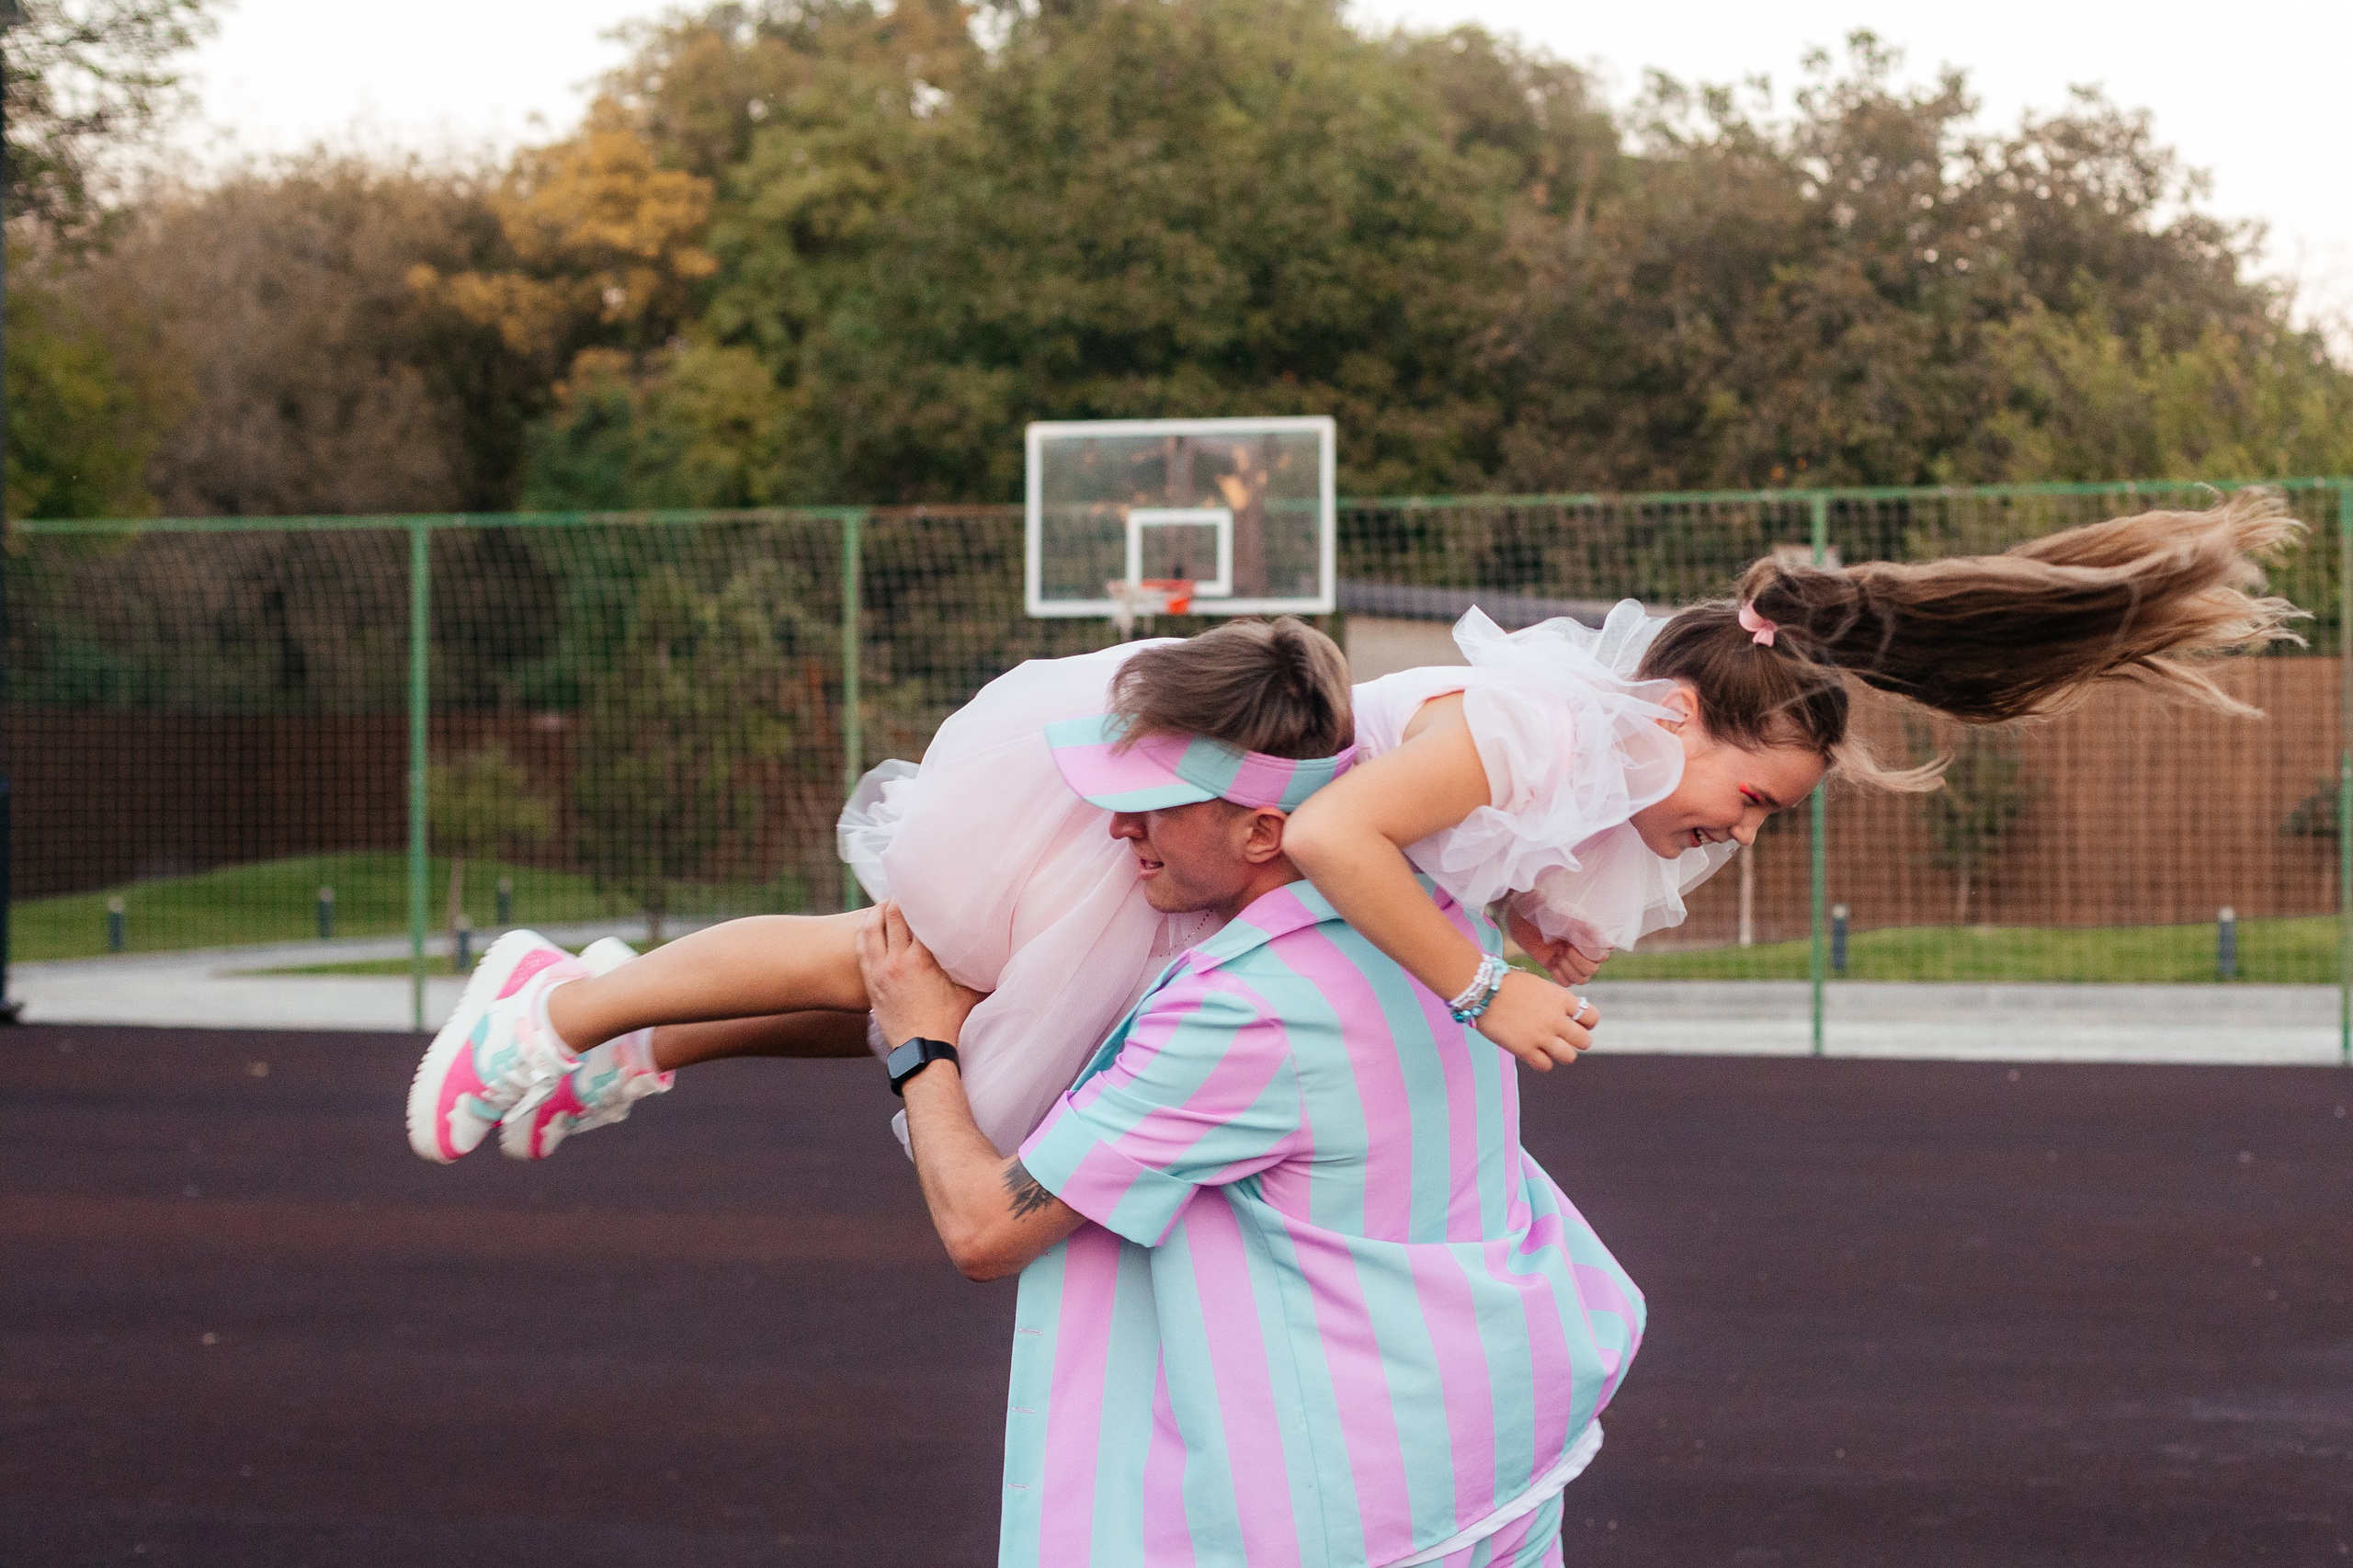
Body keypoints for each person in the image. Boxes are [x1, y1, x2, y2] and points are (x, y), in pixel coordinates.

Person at [407, 490, 2302, 1165]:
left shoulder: (1587, 770)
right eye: (1750, 795)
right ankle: (546, 1011)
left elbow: (1472, 855)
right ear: (1693, 712)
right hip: (1175, 819)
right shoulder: (1547, 722)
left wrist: (1537, 933)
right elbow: (1332, 847)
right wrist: (1482, 987)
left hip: (1209, 878)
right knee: (890, 955)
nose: (1737, 832)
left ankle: (626, 1031)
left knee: (945, 1022)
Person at [854, 708, 1635, 1568]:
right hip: (1492, 1457)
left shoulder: (1241, 1013)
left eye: (1155, 805)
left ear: (1265, 831)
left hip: (1358, 1519)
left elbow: (984, 1228)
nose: (1119, 827)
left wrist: (920, 1040)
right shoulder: (1439, 921)